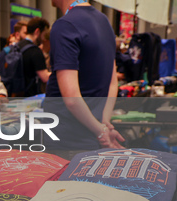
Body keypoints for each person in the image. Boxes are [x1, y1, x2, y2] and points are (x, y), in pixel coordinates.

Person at [43, 0, 123, 150]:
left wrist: (101, 131)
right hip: (91, 136)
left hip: (66, 139)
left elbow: (71, 98)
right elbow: (113, 83)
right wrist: (103, 123)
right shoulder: (103, 21)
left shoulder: (65, 25)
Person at [17, 17, 50, 96]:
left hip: (15, 94)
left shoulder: (17, 46)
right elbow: (45, 77)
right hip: (29, 98)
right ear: (37, 32)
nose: (43, 39)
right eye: (44, 35)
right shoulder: (35, 51)